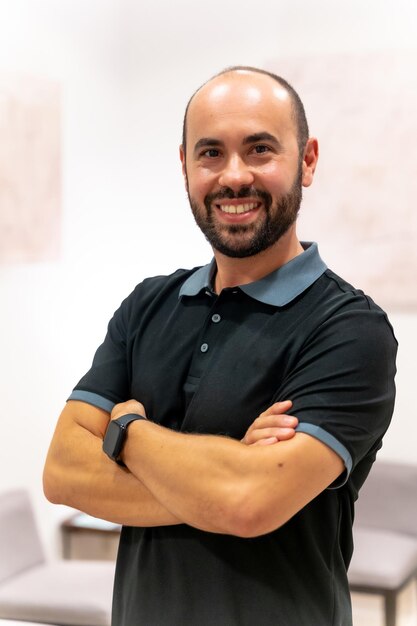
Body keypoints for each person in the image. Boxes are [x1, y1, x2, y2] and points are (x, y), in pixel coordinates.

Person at [43, 66, 397, 626]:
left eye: (260, 149)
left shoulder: (350, 329)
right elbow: (62, 471)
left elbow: (249, 501)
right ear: (184, 166)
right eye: (211, 153)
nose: (234, 177)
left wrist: (125, 431)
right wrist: (225, 469)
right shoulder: (147, 305)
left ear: (307, 160)